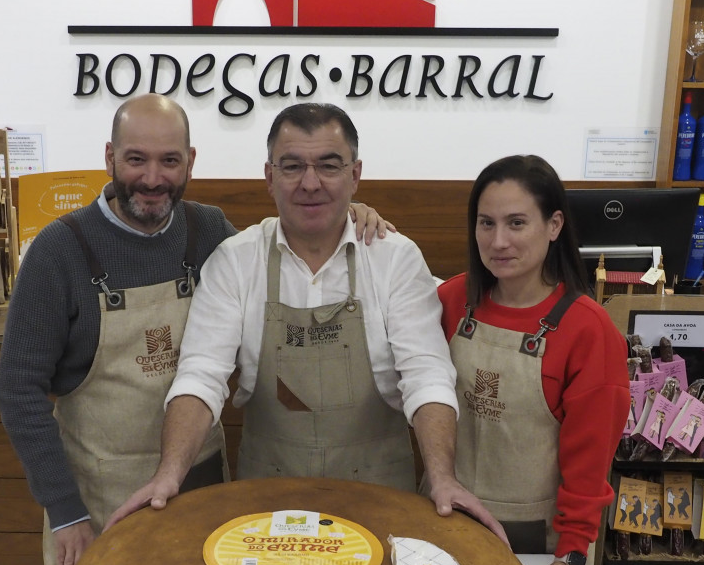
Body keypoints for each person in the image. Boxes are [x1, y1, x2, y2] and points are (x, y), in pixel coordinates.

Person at [0, 95, 390, 565]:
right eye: (136, 159)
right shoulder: (59, 251)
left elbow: (293, 245)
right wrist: (64, 511)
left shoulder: (208, 232)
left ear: (191, 162)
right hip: (100, 495)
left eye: (169, 161)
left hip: (203, 486)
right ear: (110, 157)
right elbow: (17, 391)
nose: (153, 178)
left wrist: (345, 213)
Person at [105, 102, 504, 538]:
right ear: (269, 177)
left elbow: (426, 376)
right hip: (267, 507)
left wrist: (443, 477)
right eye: (292, 166)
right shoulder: (236, 260)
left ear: (355, 175)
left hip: (381, 503)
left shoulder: (395, 259)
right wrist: (169, 474)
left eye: (329, 166)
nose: (310, 183)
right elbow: (201, 378)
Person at [438, 154, 629, 565]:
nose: (498, 241)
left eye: (517, 223)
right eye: (486, 223)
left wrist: (572, 553)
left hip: (537, 538)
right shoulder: (451, 300)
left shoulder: (588, 329)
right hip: (448, 517)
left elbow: (591, 457)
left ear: (554, 224)